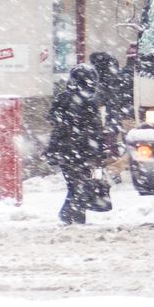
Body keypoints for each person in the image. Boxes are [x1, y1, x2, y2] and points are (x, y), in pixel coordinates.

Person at [45, 65, 111, 225]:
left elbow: (52, 118)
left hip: (66, 151)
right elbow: (97, 128)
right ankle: (70, 215)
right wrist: (102, 149)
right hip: (86, 152)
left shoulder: (64, 97)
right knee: (85, 184)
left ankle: (73, 216)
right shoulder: (92, 100)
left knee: (76, 185)